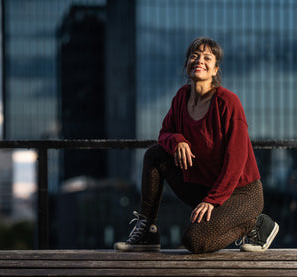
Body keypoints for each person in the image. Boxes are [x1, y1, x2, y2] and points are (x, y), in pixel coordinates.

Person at [114, 37, 279, 254]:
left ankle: (255, 223)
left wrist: (212, 200)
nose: (199, 60)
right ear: (186, 64)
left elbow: (236, 161)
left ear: (215, 69)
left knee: (195, 241)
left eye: (207, 57)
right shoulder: (181, 98)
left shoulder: (228, 102)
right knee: (155, 155)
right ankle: (147, 231)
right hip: (205, 185)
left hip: (242, 193)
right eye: (194, 55)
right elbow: (164, 133)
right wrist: (177, 141)